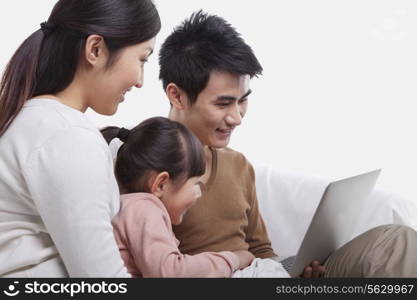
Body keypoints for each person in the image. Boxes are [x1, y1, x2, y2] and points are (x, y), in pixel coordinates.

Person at [158, 10, 417, 277]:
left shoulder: (236, 165)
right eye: (223, 103)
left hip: (269, 275)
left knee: (396, 241)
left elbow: (261, 250)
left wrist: (294, 274)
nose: (236, 117)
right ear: (177, 96)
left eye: (242, 100)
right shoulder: (146, 166)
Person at [0, 0, 160, 277]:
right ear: (95, 49)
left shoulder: (33, 121)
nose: (140, 81)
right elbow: (102, 282)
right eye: (142, 59)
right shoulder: (67, 135)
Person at [101, 117, 255, 277]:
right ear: (161, 184)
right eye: (195, 183)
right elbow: (172, 273)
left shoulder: (131, 207)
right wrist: (233, 259)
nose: (199, 193)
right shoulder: (144, 209)